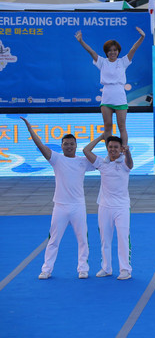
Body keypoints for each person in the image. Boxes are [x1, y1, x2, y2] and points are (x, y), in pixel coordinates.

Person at [21, 117, 94, 280]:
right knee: (53, 240)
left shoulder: (83, 161)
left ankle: (83, 268)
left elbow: (102, 163)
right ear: (61, 146)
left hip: (78, 206)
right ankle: (46, 269)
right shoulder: (56, 159)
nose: (69, 146)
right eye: (66, 144)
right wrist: (30, 129)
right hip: (60, 206)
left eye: (72, 144)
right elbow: (41, 146)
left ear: (76, 145)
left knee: (83, 239)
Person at [75, 27, 146, 146]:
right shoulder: (102, 62)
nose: (112, 52)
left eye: (115, 50)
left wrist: (142, 37)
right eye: (109, 50)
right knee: (107, 126)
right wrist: (81, 41)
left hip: (120, 97)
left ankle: (123, 150)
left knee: (122, 126)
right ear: (106, 52)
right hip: (107, 97)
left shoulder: (123, 61)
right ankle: (110, 151)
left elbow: (133, 48)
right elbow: (91, 51)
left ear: (118, 51)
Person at [83, 134, 134, 280]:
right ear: (107, 148)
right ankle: (106, 268)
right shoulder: (101, 162)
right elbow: (86, 151)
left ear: (121, 149)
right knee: (105, 239)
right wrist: (100, 137)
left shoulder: (124, 163)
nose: (112, 149)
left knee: (123, 238)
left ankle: (125, 269)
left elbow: (130, 164)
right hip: (104, 207)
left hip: (121, 207)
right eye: (110, 147)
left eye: (116, 147)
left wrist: (127, 152)